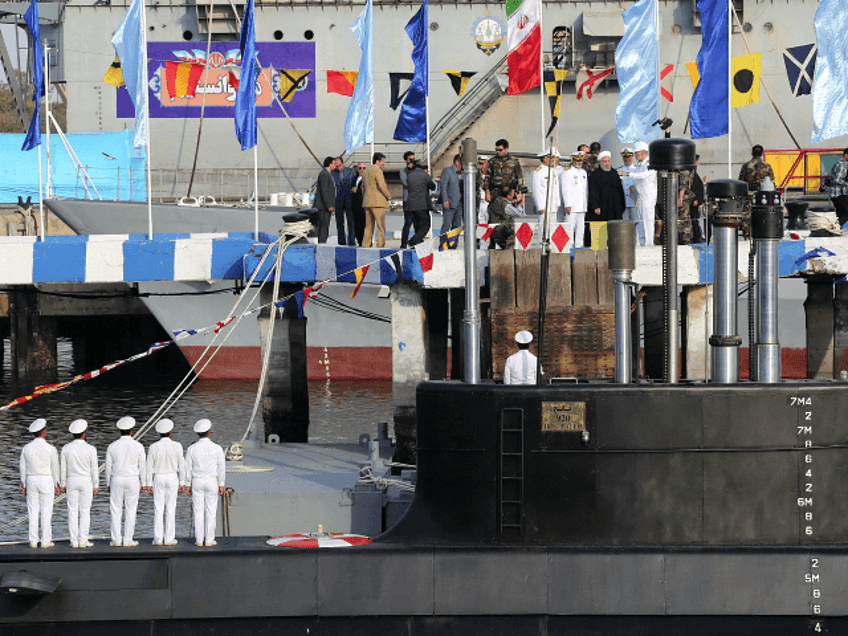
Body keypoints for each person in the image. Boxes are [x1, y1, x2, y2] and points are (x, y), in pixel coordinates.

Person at [105, 416, 147, 547]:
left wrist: (107, 483)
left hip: (116, 479)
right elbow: (142, 466)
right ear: (132, 431)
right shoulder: (138, 446)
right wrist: (144, 483)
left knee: (115, 510)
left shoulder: (112, 446)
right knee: (131, 509)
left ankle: (116, 540)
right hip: (133, 479)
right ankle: (128, 539)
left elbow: (108, 466)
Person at [185, 419, 226, 547]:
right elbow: (221, 467)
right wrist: (221, 484)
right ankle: (209, 540)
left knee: (198, 511)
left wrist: (188, 484)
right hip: (211, 480)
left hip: (197, 480)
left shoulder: (191, 448)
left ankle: (198, 540)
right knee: (211, 511)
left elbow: (188, 468)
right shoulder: (217, 448)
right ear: (209, 432)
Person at [20, 418, 59, 549]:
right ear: (43, 432)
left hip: (31, 479)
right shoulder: (50, 448)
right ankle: (45, 541)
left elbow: (22, 468)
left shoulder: (26, 448)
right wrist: (57, 484)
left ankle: (32, 540)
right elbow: (55, 468)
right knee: (46, 511)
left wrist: (23, 485)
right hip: (46, 479)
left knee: (32, 511)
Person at [146, 419, 185, 546]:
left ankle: (158, 538)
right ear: (170, 432)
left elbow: (149, 466)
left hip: (158, 476)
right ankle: (169, 538)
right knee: (170, 508)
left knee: (158, 508)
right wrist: (182, 482)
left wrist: (149, 484)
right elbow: (181, 465)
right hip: (172, 476)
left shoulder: (153, 446)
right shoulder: (177, 445)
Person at [60, 419, 98, 549]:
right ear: (84, 434)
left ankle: (74, 541)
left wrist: (63, 483)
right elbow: (94, 469)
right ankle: (83, 539)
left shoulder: (66, 448)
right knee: (85, 511)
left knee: (72, 511)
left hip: (71, 480)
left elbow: (63, 468)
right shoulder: (90, 449)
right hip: (86, 480)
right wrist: (96, 485)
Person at [622, 141, 658, 246]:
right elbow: (637, 178)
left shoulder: (650, 163)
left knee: (648, 221)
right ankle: (641, 242)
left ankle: (649, 243)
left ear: (644, 152)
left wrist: (628, 174)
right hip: (639, 196)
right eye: (636, 153)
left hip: (648, 197)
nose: (636, 155)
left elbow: (643, 175)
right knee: (639, 221)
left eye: (637, 153)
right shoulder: (639, 164)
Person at [738, 145, 775, 237]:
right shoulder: (767, 167)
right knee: (763, 214)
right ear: (762, 154)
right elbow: (772, 183)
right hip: (763, 195)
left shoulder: (746, 166)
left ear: (752, 153)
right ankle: (761, 233)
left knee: (748, 215)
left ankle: (747, 234)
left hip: (749, 194)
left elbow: (741, 181)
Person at [532, 147, 562, 244]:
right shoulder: (538, 172)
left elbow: (556, 189)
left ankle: (551, 248)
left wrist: (558, 202)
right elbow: (536, 190)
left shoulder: (553, 171)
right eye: (553, 158)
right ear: (545, 159)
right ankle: (541, 248)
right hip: (544, 206)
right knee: (543, 230)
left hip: (553, 206)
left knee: (553, 229)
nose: (556, 160)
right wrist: (539, 206)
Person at [560, 150, 589, 249]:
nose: (579, 163)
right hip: (572, 205)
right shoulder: (567, 172)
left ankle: (579, 247)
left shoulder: (583, 172)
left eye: (580, 161)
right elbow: (565, 189)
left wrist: (586, 204)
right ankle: (569, 247)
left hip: (582, 206)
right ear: (572, 160)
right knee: (570, 227)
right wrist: (567, 204)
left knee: (581, 228)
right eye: (577, 160)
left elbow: (585, 190)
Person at [588, 150, 626, 224]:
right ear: (600, 162)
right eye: (604, 161)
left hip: (615, 207)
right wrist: (595, 206)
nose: (607, 163)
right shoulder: (595, 175)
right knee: (600, 233)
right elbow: (592, 191)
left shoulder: (615, 173)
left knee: (614, 231)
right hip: (601, 208)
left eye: (608, 161)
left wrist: (622, 205)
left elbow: (620, 190)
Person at [361, 153, 390, 248]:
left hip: (367, 202)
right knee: (381, 226)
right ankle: (380, 245)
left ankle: (365, 245)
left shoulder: (365, 172)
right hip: (378, 202)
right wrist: (388, 196)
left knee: (368, 227)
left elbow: (363, 187)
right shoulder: (378, 171)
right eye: (382, 161)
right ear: (377, 161)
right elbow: (382, 186)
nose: (383, 163)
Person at [406, 160, 437, 247]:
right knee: (425, 225)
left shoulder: (409, 176)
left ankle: (417, 245)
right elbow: (433, 187)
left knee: (417, 226)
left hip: (411, 205)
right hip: (422, 205)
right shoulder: (424, 175)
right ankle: (413, 241)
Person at [438, 154, 463, 249]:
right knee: (446, 225)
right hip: (449, 203)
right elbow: (443, 187)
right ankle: (443, 244)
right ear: (457, 162)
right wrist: (445, 200)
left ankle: (454, 245)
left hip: (460, 204)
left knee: (456, 226)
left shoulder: (463, 173)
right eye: (462, 163)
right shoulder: (447, 171)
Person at [331, 156, 357, 245]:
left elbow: (354, 184)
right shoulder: (332, 173)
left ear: (343, 164)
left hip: (349, 200)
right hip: (338, 201)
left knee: (351, 222)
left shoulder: (351, 172)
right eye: (336, 166)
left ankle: (351, 240)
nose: (338, 167)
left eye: (339, 165)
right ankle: (341, 241)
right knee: (339, 222)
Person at [488, 183, 522, 249]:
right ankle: (508, 255)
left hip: (496, 229)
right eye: (513, 193)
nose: (514, 194)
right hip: (501, 231)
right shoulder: (504, 204)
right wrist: (519, 203)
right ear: (508, 196)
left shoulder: (498, 200)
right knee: (511, 237)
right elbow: (519, 213)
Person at [314, 156, 337, 244]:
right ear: (330, 164)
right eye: (334, 164)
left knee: (325, 225)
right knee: (324, 226)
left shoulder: (327, 174)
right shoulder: (324, 174)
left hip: (325, 206)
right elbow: (324, 191)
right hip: (324, 206)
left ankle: (323, 242)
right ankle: (322, 244)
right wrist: (329, 205)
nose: (335, 165)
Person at [826, 147, 848, 228]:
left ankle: (835, 229)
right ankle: (836, 227)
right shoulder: (843, 164)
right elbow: (837, 179)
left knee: (840, 213)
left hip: (835, 194)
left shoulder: (838, 162)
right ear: (846, 155)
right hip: (839, 193)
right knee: (846, 212)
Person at [399, 151, 416, 248]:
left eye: (413, 158)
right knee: (408, 222)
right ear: (406, 160)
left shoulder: (417, 170)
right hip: (408, 200)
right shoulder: (403, 171)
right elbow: (406, 183)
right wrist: (410, 171)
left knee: (417, 223)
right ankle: (403, 243)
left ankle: (415, 242)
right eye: (410, 159)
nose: (412, 161)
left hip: (417, 200)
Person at [617, 148, 637, 221]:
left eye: (629, 156)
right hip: (623, 202)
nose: (627, 159)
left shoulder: (637, 170)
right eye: (625, 157)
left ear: (632, 157)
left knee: (636, 224)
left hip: (635, 202)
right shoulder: (618, 171)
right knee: (625, 224)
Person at [351, 162, 367, 245]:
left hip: (363, 204)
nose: (362, 170)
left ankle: (365, 242)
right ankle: (360, 241)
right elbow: (351, 188)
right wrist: (352, 190)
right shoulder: (355, 178)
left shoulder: (367, 178)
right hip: (355, 205)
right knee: (356, 225)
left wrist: (358, 191)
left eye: (364, 168)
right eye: (360, 168)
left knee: (363, 225)